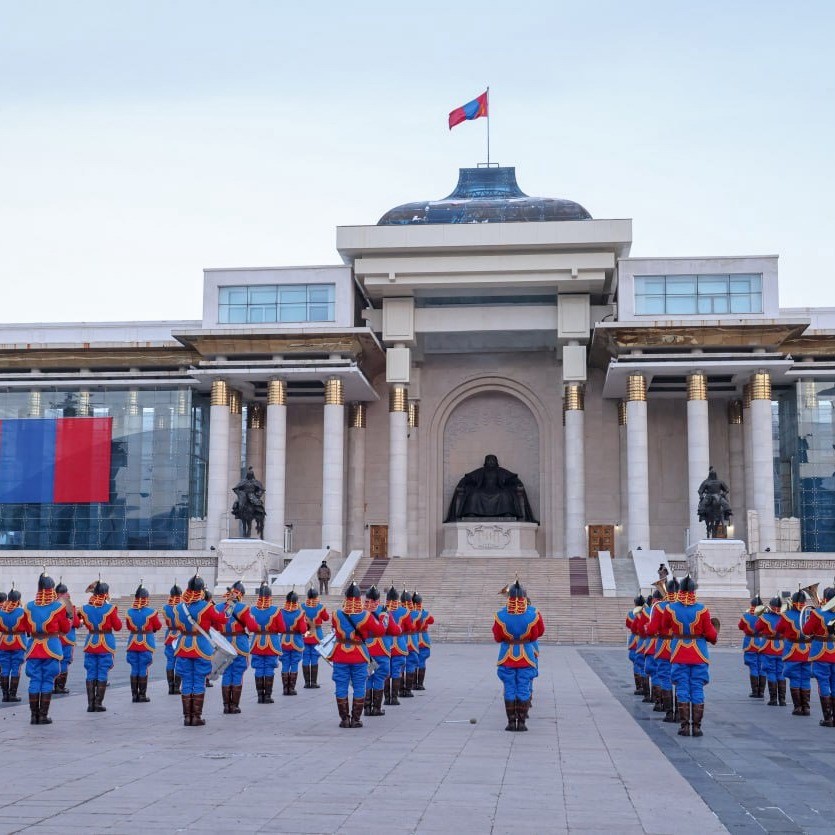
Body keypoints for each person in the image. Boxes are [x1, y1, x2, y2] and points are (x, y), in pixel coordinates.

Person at [664, 575, 718, 737]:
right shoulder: (702, 610)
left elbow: (665, 627)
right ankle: (696, 727)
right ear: (694, 591)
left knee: (681, 687)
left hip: (679, 651)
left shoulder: (670, 609)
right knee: (697, 688)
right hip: (699, 652)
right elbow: (711, 635)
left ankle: (684, 726)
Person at [171, 572, 226, 726]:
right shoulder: (207, 607)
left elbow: (174, 625)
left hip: (183, 646)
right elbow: (222, 619)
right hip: (201, 646)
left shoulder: (179, 608)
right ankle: (196, 716)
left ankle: (187, 717)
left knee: (187, 680)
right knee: (199, 681)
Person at [330, 580, 384, 728]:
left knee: (341, 686)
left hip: (340, 654)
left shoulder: (336, 614)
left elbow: (335, 628)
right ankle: (356, 719)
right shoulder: (366, 616)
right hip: (359, 654)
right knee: (360, 685)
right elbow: (380, 631)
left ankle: (344, 719)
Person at [493, 579, 545, 732]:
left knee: (509, 687)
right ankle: (521, 723)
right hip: (526, 654)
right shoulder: (533, 613)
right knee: (523, 687)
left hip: (507, 654)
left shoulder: (500, 615)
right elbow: (538, 633)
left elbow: (497, 637)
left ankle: (510, 722)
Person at [22, 572, 72, 724]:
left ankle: (33, 716)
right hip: (51, 646)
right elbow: (65, 628)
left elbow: (26, 627)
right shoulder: (58, 606)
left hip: (34, 647)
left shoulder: (29, 606)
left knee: (35, 680)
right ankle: (43, 715)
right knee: (48, 680)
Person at [250, 583, 298, 704]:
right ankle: (267, 696)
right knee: (270, 668)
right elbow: (282, 629)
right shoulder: (275, 611)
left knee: (259, 668)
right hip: (272, 642)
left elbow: (250, 627)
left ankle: (260, 696)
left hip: (256, 642)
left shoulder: (252, 610)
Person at [79, 579, 122, 713]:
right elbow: (118, 626)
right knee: (102, 671)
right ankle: (98, 702)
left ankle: (90, 704)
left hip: (91, 641)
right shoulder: (110, 608)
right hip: (105, 642)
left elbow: (82, 622)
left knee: (91, 671)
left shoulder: (85, 608)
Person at [217, 581, 259, 715]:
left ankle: (226, 705)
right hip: (239, 644)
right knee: (237, 673)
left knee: (226, 673)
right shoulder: (243, 608)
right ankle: (234, 705)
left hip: (223, 643)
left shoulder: (218, 608)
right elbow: (252, 627)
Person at [363, 585, 400, 716]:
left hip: (366, 650)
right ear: (378, 599)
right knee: (379, 677)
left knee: (368, 677)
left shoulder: (361, 612)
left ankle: (366, 707)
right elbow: (395, 630)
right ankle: (376, 708)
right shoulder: (385, 612)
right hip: (382, 649)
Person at [646, 577, 679, 722]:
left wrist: (650, 629)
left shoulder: (659, 607)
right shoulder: (686, 607)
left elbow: (652, 629)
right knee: (679, 679)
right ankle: (679, 713)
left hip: (663, 646)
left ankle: (669, 712)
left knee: (664, 677)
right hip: (679, 646)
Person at [776, 590, 813, 716]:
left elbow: (779, 629)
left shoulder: (786, 615)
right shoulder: (811, 613)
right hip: (808, 650)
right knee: (806, 678)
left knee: (795, 678)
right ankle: (806, 708)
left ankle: (798, 707)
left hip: (792, 650)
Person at [125, 581, 162, 703]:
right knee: (143, 668)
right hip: (146, 642)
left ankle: (134, 696)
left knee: (134, 668)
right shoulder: (151, 612)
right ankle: (142, 695)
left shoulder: (129, 612)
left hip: (133, 642)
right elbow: (158, 625)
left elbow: (129, 627)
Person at [803, 586, 835, 727]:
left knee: (823, 682)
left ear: (825, 599)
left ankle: (828, 718)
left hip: (821, 652)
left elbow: (806, 630)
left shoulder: (817, 613)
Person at [755, 596, 788, 707]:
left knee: (771, 672)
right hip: (782, 647)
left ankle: (773, 699)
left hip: (768, 647)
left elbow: (757, 628)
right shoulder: (785, 617)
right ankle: (782, 700)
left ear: (771, 606)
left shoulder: (765, 617)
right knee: (781, 673)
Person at [0, 586, 27, 703]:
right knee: (16, 668)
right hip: (18, 641)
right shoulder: (22, 612)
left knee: (5, 668)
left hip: (4, 641)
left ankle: (5, 695)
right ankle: (12, 694)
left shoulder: (1, 612)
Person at [53, 582, 80, 695]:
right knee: (64, 661)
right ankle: (60, 687)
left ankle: (53, 685)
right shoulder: (69, 605)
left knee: (54, 661)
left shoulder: (52, 604)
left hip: (54, 638)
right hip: (67, 637)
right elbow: (76, 623)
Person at [737, 596, 767, 699]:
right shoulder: (765, 616)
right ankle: (761, 691)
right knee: (762, 667)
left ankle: (755, 691)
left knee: (753, 667)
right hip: (762, 643)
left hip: (750, 643)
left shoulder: (746, 616)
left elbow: (740, 626)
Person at [279, 590, 307, 696]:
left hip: (284, 640)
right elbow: (303, 630)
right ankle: (291, 688)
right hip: (296, 640)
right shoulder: (299, 613)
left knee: (285, 663)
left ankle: (285, 689)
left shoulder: (281, 612)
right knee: (294, 663)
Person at [301, 587, 329, 689]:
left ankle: (306, 682)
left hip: (306, 634)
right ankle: (313, 682)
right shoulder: (320, 607)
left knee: (305, 657)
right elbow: (326, 618)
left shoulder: (303, 606)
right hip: (317, 634)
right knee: (314, 658)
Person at [386, 585, 408, 706]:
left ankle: (386, 698)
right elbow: (410, 627)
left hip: (385, 644)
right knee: (397, 671)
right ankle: (394, 698)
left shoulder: (381, 610)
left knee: (384, 672)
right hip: (399, 643)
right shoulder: (404, 611)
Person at [162, 583, 183, 695]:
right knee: (179, 661)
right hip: (180, 634)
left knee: (170, 661)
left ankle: (170, 687)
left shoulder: (165, 607)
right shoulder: (182, 606)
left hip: (170, 634)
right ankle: (176, 687)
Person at [413, 592, 434, 691]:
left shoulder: (410, 613)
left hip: (413, 638)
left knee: (412, 661)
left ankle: (413, 683)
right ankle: (420, 684)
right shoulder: (424, 613)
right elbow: (431, 620)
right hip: (424, 638)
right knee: (422, 661)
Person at [625, 594, 645, 695]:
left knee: (636, 663)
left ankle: (639, 686)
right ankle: (645, 687)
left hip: (635, 639)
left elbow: (628, 624)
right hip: (645, 639)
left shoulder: (630, 613)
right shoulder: (647, 612)